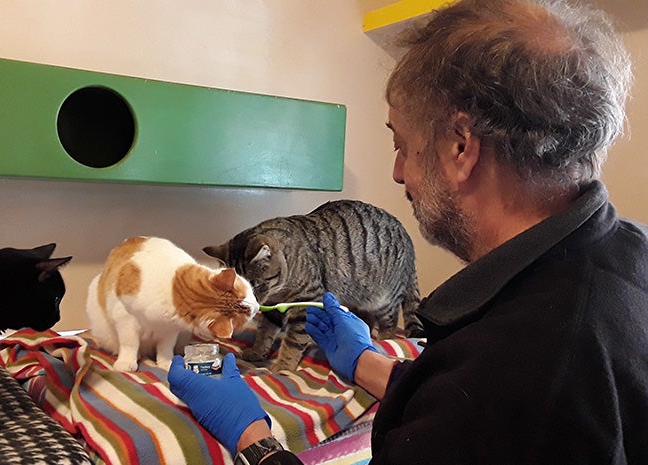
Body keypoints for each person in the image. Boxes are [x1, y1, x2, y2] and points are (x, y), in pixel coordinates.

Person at [168, 0, 648, 463]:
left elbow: (481, 416)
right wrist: (369, 364)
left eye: (403, 145)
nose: (398, 173)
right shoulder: (633, 252)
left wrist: (256, 441)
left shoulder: (514, 373)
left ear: (461, 147)